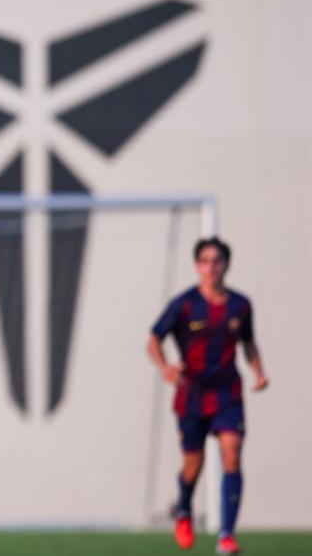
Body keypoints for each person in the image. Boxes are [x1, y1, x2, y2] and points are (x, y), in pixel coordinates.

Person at [148, 237, 269, 556]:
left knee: (232, 451)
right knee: (193, 464)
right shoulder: (185, 304)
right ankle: (184, 508)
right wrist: (166, 368)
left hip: (227, 393)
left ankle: (226, 535)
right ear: (197, 265)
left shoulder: (240, 305)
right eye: (204, 260)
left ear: (226, 264)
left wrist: (258, 371)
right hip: (192, 395)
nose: (210, 267)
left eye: (216, 261)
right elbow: (153, 339)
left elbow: (248, 342)